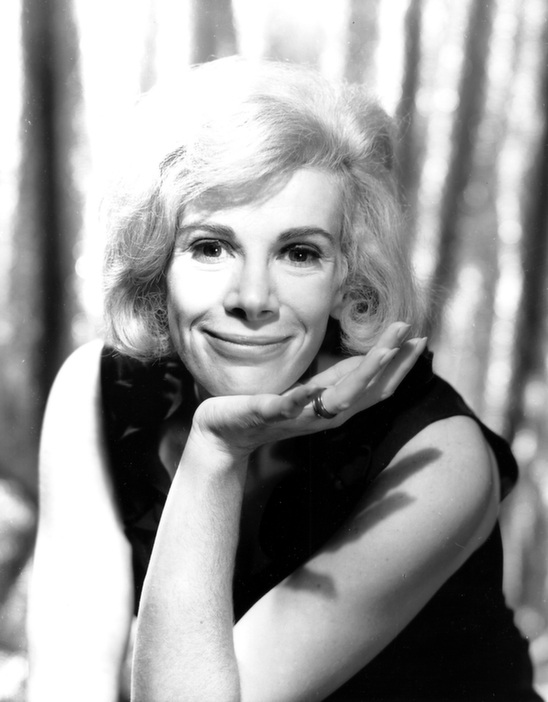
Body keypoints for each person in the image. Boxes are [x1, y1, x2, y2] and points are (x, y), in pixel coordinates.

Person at [27, 57, 541, 702]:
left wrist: (216, 450)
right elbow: (68, 680)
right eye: (210, 247)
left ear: (348, 277)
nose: (252, 298)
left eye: (299, 253)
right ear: (156, 261)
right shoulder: (95, 389)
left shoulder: (438, 459)